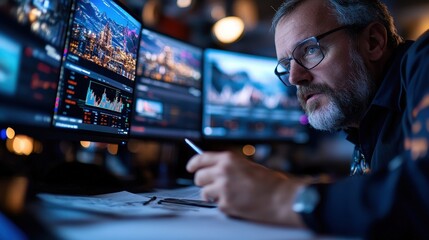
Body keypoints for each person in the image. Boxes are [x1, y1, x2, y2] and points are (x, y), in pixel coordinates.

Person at [186, 0, 429, 238]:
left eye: (310, 50)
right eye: (286, 64)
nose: (294, 78)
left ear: (373, 42)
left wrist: (280, 196)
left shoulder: (425, 60)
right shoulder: (366, 128)